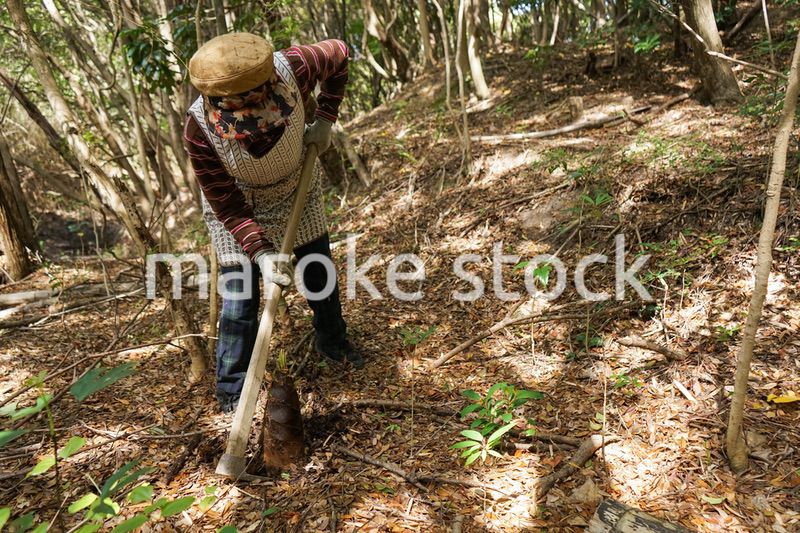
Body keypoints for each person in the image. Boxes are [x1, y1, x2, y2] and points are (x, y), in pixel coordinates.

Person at [183, 33, 363, 414]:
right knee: (240, 296)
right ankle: (233, 392)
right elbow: (226, 205)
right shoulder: (198, 130)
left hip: (297, 182)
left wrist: (326, 119)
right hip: (238, 205)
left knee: (318, 271)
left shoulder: (295, 65)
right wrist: (261, 252)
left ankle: (333, 344)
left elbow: (342, 54)